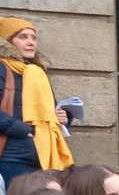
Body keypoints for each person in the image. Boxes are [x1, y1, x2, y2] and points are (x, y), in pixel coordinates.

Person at [0, 16, 71, 177]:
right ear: (7, 42)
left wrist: (63, 118)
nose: (31, 42)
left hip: (43, 158)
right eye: (22, 37)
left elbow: (48, 114)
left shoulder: (37, 73)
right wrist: (24, 130)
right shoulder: (2, 68)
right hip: (12, 158)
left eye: (33, 38)